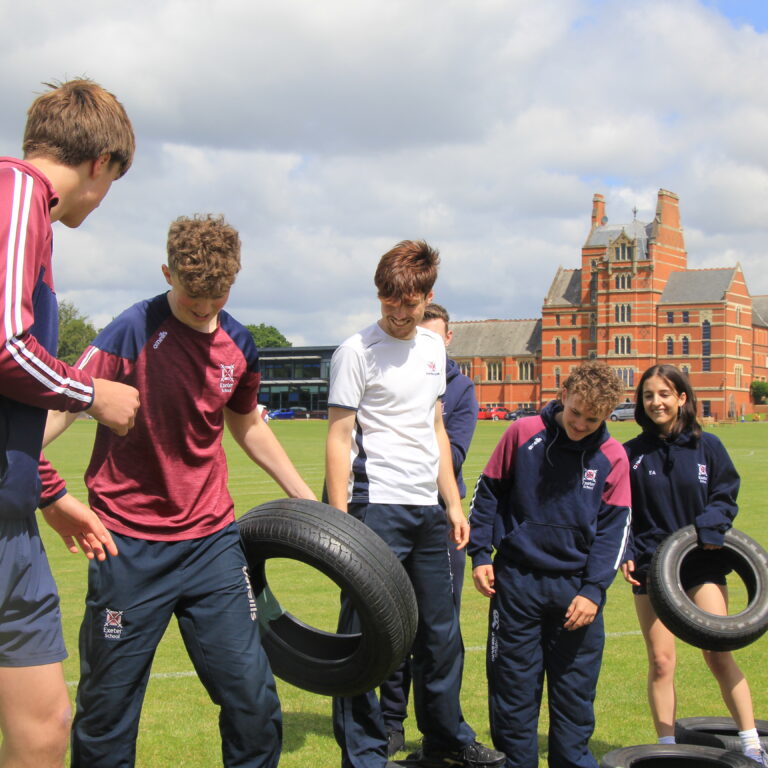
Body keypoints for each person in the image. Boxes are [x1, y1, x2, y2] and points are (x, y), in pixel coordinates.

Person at [40, 214, 316, 767]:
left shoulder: (240, 343)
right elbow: (67, 401)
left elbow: (247, 423)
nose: (205, 307)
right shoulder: (132, 329)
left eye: (218, 294)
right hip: (127, 544)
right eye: (193, 297)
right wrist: (28, 456)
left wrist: (306, 499)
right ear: (168, 272)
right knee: (107, 709)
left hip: (211, 543)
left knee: (252, 700)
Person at [0, 79, 140, 768]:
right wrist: (93, 395)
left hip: (13, 524)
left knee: (50, 723)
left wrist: (50, 495)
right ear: (99, 164)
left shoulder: (30, 219)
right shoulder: (17, 192)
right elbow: (3, 348)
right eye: (113, 180)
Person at [325, 240, 504, 768]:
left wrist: (453, 502)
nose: (399, 313)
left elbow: (436, 430)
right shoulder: (355, 352)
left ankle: (446, 740)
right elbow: (339, 438)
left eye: (409, 302)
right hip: (374, 509)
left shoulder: (433, 350)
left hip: (428, 511)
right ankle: (364, 753)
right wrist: (341, 527)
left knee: (441, 635)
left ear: (428, 295)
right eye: (389, 301)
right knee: (363, 636)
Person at [468, 360, 631, 768]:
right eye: (575, 412)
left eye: (592, 419)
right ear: (563, 396)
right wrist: (479, 554)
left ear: (607, 415)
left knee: (574, 696)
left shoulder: (613, 456)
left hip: (577, 593)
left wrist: (594, 590)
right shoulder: (522, 433)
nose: (580, 424)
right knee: (512, 690)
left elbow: (615, 532)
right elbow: (487, 494)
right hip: (516, 584)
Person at [621, 364, 766, 765]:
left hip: (700, 561)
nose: (656, 403)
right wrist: (627, 552)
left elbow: (725, 494)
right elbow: (621, 512)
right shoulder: (630, 453)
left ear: (682, 398)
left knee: (717, 652)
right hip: (652, 566)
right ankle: (666, 749)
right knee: (661, 661)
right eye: (649, 395)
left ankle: (752, 742)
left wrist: (710, 529)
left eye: (665, 394)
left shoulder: (709, 446)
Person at [379, 302, 478, 756]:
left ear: (447, 340)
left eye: (435, 336)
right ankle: (390, 721)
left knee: (440, 634)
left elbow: (452, 453)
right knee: (393, 623)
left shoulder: (461, 389)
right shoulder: (393, 365)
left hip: (440, 516)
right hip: (395, 509)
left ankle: (442, 728)